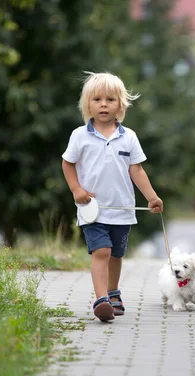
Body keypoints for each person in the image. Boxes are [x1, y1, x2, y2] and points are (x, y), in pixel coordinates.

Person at [61, 72, 163, 322]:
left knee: (116, 254)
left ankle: (113, 292)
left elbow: (136, 170)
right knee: (101, 252)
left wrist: (152, 197)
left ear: (121, 105)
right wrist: (77, 190)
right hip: (92, 209)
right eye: (97, 99)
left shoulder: (128, 137)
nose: (103, 104)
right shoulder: (80, 135)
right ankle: (101, 299)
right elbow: (67, 163)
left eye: (110, 99)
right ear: (88, 105)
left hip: (122, 210)